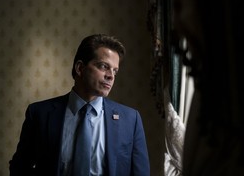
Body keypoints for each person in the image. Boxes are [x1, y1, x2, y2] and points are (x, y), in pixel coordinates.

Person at [9, 34, 150, 176]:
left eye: (115, 71)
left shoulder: (131, 119)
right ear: (80, 68)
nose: (111, 76)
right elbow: (20, 167)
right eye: (103, 66)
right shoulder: (39, 113)